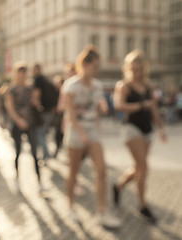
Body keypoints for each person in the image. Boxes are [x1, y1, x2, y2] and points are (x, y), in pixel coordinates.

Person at [63, 45, 121, 228]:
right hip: (76, 133)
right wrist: (82, 134)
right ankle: (70, 206)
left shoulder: (97, 85)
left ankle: (101, 211)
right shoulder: (71, 85)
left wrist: (102, 108)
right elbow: (70, 114)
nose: (97, 69)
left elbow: (97, 107)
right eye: (95, 65)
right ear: (85, 64)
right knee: (73, 172)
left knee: (102, 171)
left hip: (93, 133)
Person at [113, 49, 167, 223]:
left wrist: (160, 129)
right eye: (134, 69)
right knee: (143, 167)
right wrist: (141, 105)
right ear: (129, 68)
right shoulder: (124, 85)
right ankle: (143, 205)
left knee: (138, 167)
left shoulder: (148, 86)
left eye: (140, 69)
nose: (137, 72)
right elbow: (119, 106)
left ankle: (119, 186)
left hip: (147, 129)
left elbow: (154, 109)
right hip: (131, 128)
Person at [5, 61, 45, 193]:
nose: (23, 74)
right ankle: (17, 179)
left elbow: (35, 104)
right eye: (20, 71)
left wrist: (37, 102)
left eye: (24, 71)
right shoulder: (12, 89)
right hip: (18, 124)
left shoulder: (30, 88)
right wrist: (18, 120)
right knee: (17, 152)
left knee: (35, 153)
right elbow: (10, 108)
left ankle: (39, 180)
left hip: (30, 123)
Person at [33, 63, 58, 161]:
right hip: (49, 110)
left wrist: (36, 106)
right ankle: (46, 153)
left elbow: (36, 95)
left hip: (42, 111)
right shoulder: (46, 80)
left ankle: (45, 154)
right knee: (43, 133)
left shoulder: (38, 80)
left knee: (40, 133)